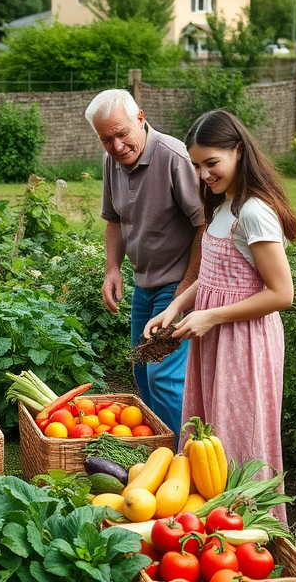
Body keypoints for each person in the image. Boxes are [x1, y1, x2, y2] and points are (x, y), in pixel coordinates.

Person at [144, 109, 296, 524]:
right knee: (210, 429)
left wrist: (212, 317)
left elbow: (281, 293)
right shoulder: (224, 206)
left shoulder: (254, 212)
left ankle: (251, 525)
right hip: (216, 335)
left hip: (245, 340)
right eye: (196, 165)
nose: (203, 174)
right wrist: (176, 307)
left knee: (236, 433)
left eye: (211, 163)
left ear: (239, 151)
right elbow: (214, 278)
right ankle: (211, 521)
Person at [85, 89, 205, 438]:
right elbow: (113, 220)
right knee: (141, 369)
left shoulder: (173, 157)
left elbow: (204, 224)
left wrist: (185, 289)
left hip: (178, 283)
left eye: (122, 134)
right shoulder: (113, 161)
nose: (117, 146)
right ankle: (162, 449)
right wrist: (112, 269)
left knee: (163, 375)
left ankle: (192, 451)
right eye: (107, 139)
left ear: (140, 117)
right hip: (144, 285)